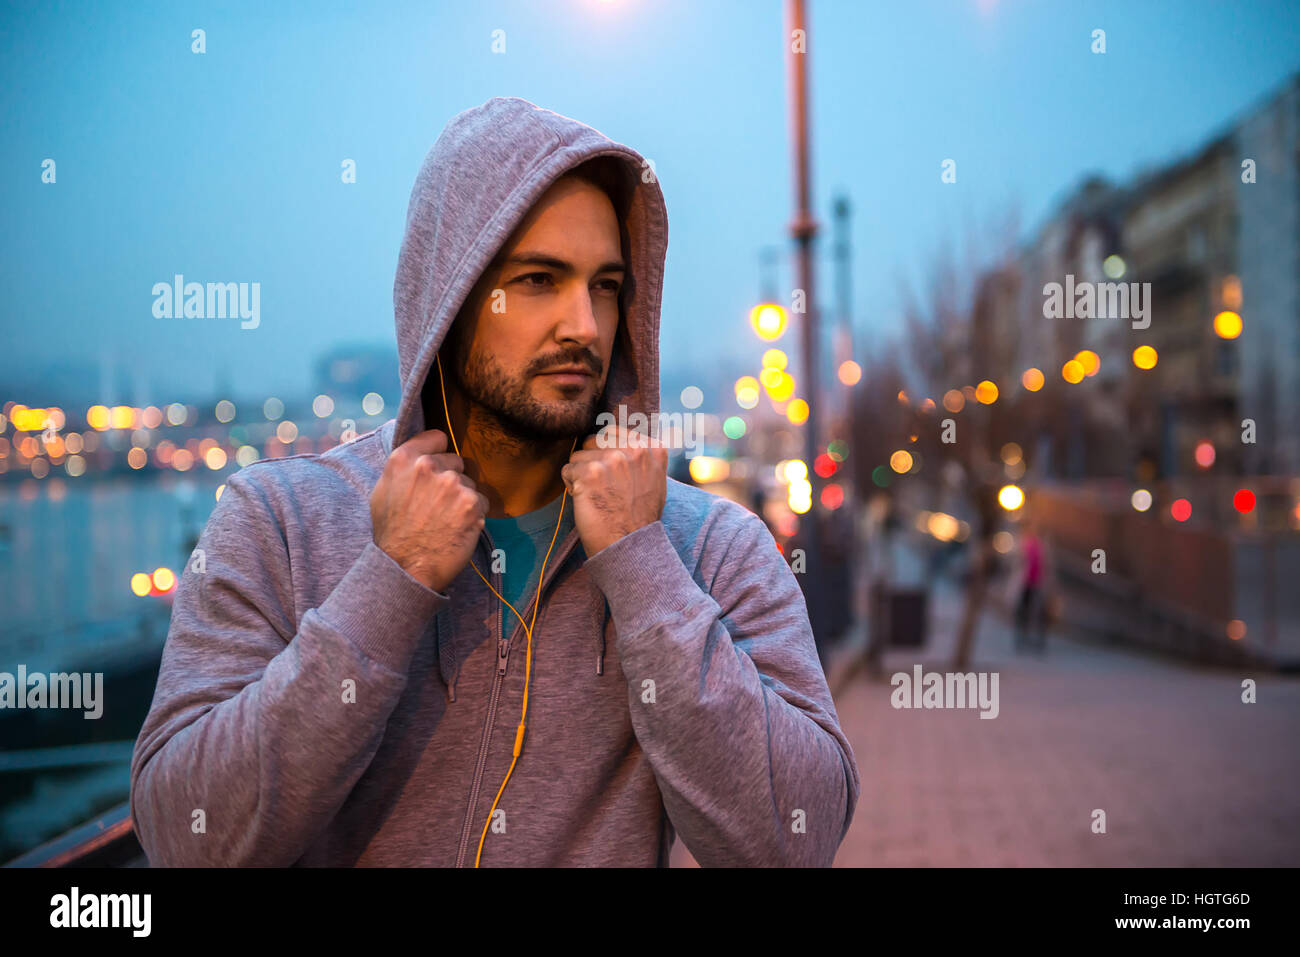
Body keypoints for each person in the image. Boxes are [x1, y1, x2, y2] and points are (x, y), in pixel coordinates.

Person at [129, 97, 860, 867]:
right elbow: (185, 835)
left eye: (605, 285)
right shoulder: (281, 521)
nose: (583, 323)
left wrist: (646, 572)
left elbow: (795, 836)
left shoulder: (706, 546)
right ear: (450, 295)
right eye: (539, 279)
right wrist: (389, 582)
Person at [1013, 517, 1054, 653]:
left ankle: (1038, 640)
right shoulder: (1025, 544)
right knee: (1024, 610)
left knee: (1040, 613)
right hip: (1026, 583)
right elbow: (1017, 563)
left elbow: (1049, 567)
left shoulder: (1044, 547)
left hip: (1040, 584)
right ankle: (1021, 637)